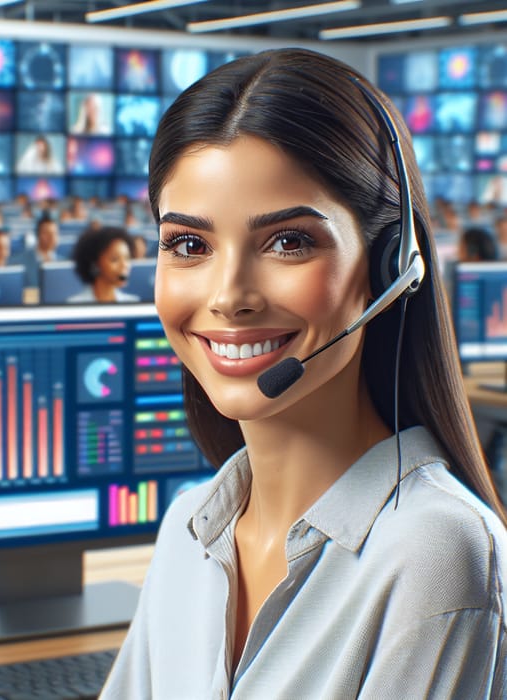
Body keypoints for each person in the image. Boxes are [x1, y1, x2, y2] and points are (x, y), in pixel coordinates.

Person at [100, 49, 507, 698]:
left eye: (288, 241)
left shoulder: (435, 553)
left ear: (392, 265)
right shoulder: (190, 528)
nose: (229, 296)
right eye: (189, 245)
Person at [67, 226, 138, 303]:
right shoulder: (75, 305)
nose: (125, 265)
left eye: (127, 258)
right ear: (95, 263)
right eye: (115, 259)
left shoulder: (132, 303)